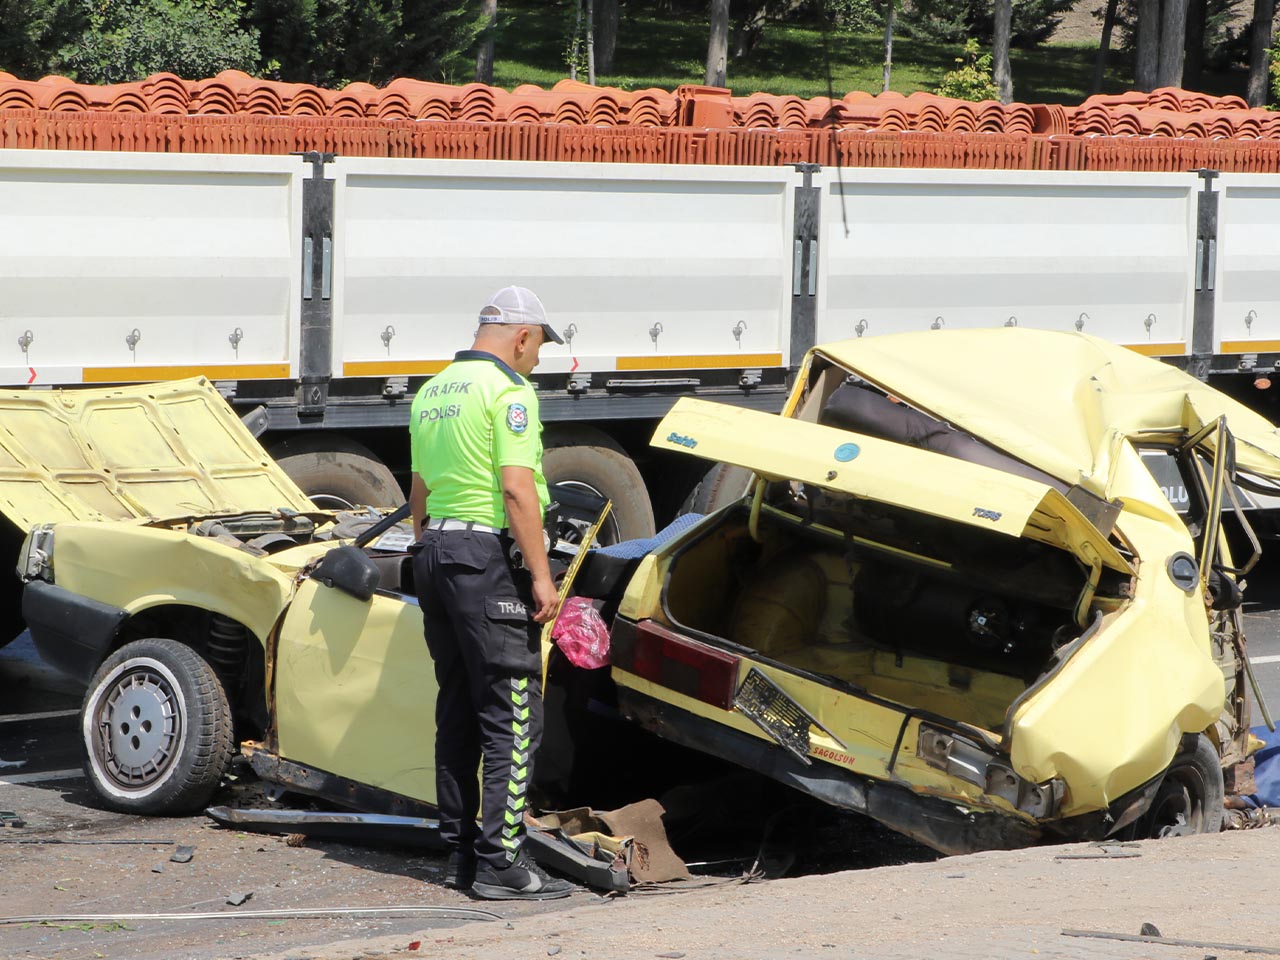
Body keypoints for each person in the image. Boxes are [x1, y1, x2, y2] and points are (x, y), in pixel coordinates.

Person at [408, 286, 573, 901]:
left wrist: (430, 552)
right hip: (483, 559)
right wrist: (541, 575)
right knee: (513, 709)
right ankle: (504, 863)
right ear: (522, 337)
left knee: (456, 704)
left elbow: (419, 491)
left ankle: (458, 855)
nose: (536, 361)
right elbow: (516, 490)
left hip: (434, 556)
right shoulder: (508, 394)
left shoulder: (433, 391)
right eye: (537, 349)